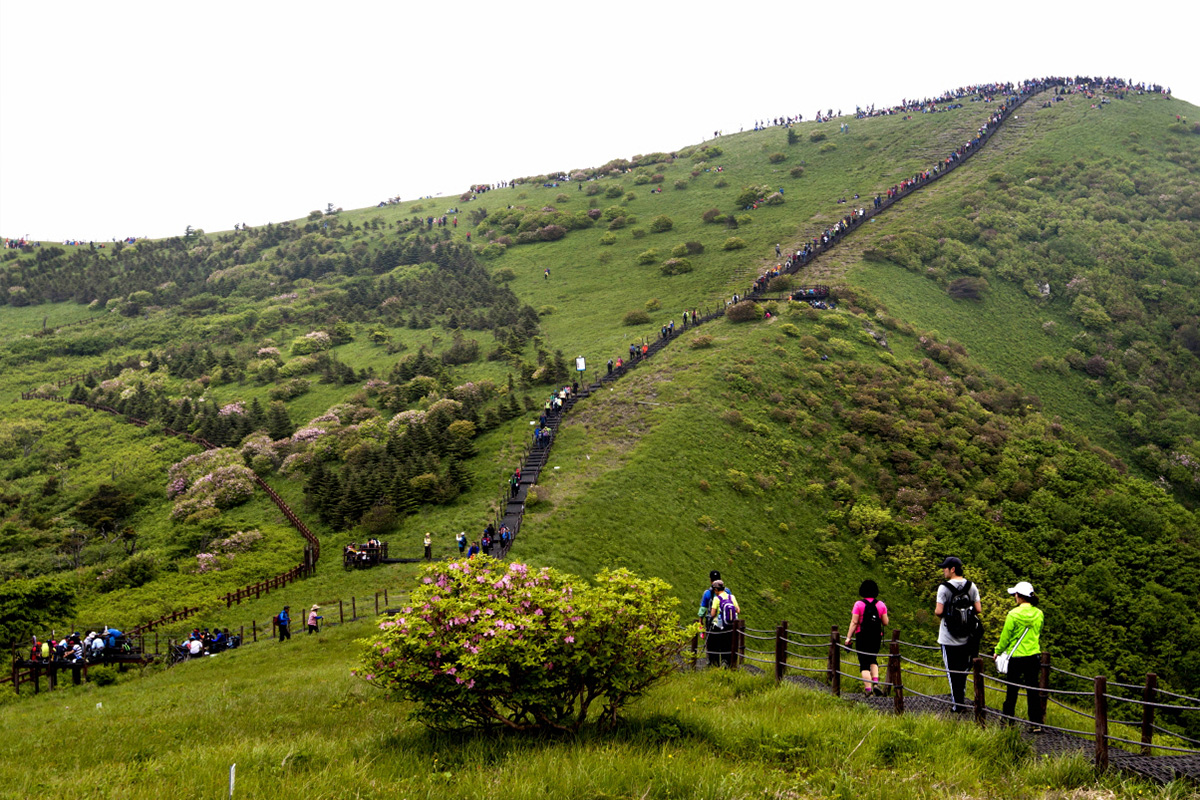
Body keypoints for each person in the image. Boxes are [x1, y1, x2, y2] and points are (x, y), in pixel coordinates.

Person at [995, 580, 1044, 729]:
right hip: (1033, 656)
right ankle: (1035, 723)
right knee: (1033, 691)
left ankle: (1008, 721)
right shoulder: (1039, 613)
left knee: (1012, 691)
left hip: (1016, 657)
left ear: (1019, 596)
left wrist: (998, 651)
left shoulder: (1013, 614)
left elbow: (1006, 637)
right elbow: (1038, 632)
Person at [935, 557, 981, 712]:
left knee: (951, 672)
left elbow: (939, 611)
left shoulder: (944, 588)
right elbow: (978, 609)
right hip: (967, 637)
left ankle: (958, 705)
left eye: (945, 568)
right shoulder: (971, 586)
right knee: (962, 671)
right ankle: (961, 700)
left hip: (948, 637)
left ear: (952, 569)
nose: (943, 570)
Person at [845, 580, 889, 696]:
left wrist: (848, 638)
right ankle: (875, 684)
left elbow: (854, 622)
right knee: (873, 660)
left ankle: (868, 690)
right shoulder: (881, 605)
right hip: (876, 637)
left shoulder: (858, 604)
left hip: (862, 636)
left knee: (864, 664)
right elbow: (885, 622)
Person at [707, 580, 740, 668]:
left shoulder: (716, 599)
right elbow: (738, 610)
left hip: (719, 626)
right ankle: (728, 663)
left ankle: (715, 664)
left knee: (716, 646)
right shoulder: (731, 597)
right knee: (728, 645)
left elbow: (713, 614)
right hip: (730, 626)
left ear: (716, 590)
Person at [698, 570, 724, 667]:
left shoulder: (707, 593)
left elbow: (702, 609)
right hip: (725, 622)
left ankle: (712, 663)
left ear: (710, 580)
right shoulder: (727, 591)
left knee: (712, 644)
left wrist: (700, 623)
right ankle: (725, 663)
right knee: (723, 643)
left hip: (711, 622)